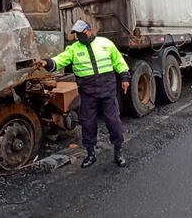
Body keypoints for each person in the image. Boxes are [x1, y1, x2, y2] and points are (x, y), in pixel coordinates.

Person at [38, 20, 130, 168]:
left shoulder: (105, 43)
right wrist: (47, 63)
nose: (79, 36)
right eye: (77, 34)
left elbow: (118, 61)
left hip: (107, 91)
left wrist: (125, 77)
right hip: (88, 93)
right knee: (87, 123)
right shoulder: (74, 49)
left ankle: (118, 153)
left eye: (81, 33)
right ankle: (91, 154)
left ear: (89, 30)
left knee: (113, 122)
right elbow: (60, 60)